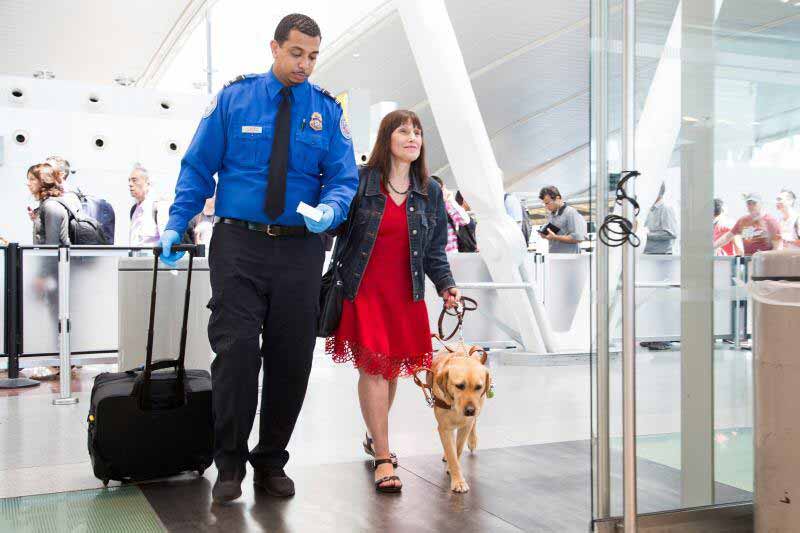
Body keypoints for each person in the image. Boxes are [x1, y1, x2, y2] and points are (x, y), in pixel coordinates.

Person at [159, 14, 358, 503]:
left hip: (300, 250)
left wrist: (332, 207)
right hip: (238, 246)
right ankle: (229, 464)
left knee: (292, 360)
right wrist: (176, 221)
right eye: (296, 53)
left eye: (312, 56)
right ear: (275, 47)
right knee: (237, 353)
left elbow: (343, 176)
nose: (305, 65)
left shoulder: (326, 111)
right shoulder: (233, 99)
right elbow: (198, 167)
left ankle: (271, 460)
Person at [326, 110, 459, 493]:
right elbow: (336, 225)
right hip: (364, 291)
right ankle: (384, 457)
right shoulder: (361, 181)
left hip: (406, 294)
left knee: (391, 372)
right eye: (404, 131)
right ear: (387, 139)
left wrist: (446, 286)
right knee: (373, 370)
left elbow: (435, 250)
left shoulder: (429, 190)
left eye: (417, 132)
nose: (413, 137)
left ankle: (374, 436)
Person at [714, 193, 782, 256]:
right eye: (749, 203)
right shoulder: (743, 221)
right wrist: (712, 247)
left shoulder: (771, 222)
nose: (751, 206)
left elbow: (777, 248)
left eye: (754, 203)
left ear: (761, 204)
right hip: (748, 261)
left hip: (765, 262)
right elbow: (727, 237)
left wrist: (763, 258)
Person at [538, 185, 587, 253]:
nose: (546, 206)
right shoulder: (551, 214)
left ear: (557, 198)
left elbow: (578, 238)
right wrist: (546, 235)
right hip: (554, 258)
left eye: (547, 203)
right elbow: (553, 235)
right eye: (544, 204)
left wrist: (555, 237)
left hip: (569, 259)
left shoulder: (571, 213)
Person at [128, 164, 166, 246]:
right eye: (129, 180)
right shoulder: (134, 210)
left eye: (134, 180)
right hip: (134, 258)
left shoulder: (158, 207)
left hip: (153, 258)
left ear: (147, 182)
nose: (130, 184)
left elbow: (166, 243)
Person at [430, 175, 470, 253]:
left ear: (443, 188)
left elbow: (464, 220)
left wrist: (449, 200)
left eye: (439, 189)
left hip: (452, 255)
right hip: (433, 258)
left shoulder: (447, 206)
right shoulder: (422, 208)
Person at [643, 182, 678, 255]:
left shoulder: (666, 208)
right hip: (649, 254)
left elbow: (672, 234)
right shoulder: (650, 209)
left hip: (662, 255)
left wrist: (646, 235)